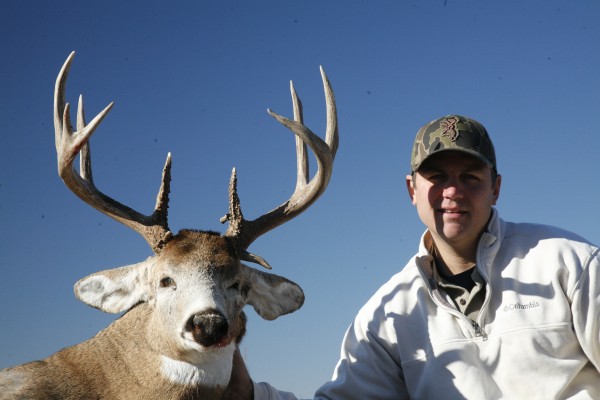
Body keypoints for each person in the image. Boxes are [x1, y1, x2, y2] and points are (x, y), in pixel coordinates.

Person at [226, 115, 600, 399]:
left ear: (495, 188)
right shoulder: (387, 315)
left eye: (470, 177)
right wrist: (251, 395)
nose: (453, 191)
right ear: (412, 190)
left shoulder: (571, 264)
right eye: (437, 177)